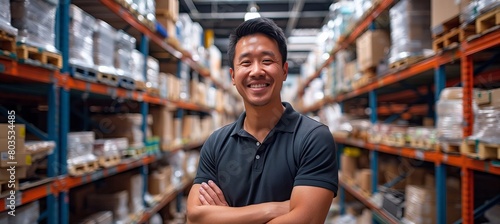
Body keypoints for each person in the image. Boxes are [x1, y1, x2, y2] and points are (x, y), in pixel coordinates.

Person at [186, 17, 338, 224]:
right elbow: (195, 217)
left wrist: (225, 218)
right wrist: (273, 209)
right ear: (233, 75)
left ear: (284, 71)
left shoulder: (313, 138)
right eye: (246, 62)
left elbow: (307, 220)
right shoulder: (216, 143)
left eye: (267, 61)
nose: (256, 71)